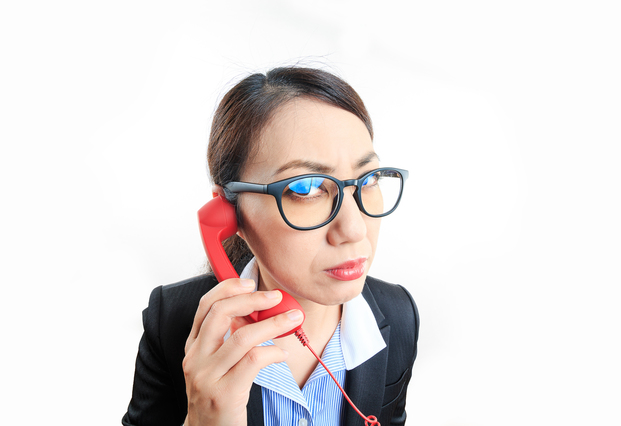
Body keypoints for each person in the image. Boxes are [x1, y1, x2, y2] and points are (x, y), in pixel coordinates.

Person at [122, 66, 419, 426]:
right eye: (306, 188)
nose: (355, 229)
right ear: (231, 214)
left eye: (368, 179)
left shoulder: (399, 316)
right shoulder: (171, 322)